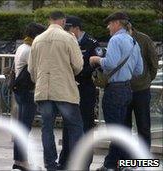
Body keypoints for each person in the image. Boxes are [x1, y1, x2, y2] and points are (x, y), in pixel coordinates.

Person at [28, 11, 84, 171]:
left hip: (43, 91)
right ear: (63, 21)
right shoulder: (69, 38)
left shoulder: (38, 40)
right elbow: (78, 66)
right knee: (75, 127)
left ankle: (50, 164)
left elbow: (31, 69)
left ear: (49, 20)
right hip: (64, 90)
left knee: (47, 128)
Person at [89, 12, 143, 170]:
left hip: (114, 91)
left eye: (110, 23)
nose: (108, 27)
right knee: (123, 129)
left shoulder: (116, 39)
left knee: (114, 131)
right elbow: (139, 70)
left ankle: (110, 165)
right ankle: (126, 164)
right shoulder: (133, 41)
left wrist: (96, 59)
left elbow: (110, 63)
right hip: (127, 89)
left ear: (117, 23)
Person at [65, 15, 101, 169]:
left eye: (68, 28)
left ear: (76, 28)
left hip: (85, 88)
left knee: (86, 124)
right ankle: (67, 159)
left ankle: (85, 162)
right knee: (68, 124)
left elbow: (95, 64)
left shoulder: (91, 43)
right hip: (70, 88)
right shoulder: (66, 41)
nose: (66, 31)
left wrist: (78, 73)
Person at [12, 22, 46, 171]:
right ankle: (21, 162)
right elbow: (34, 72)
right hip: (27, 92)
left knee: (22, 127)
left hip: (20, 91)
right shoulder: (30, 50)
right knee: (24, 128)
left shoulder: (22, 47)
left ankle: (19, 161)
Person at [125, 26, 158, 150]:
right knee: (124, 127)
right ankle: (126, 161)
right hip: (124, 88)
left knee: (143, 125)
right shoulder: (119, 39)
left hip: (141, 89)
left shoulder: (144, 39)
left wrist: (148, 79)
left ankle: (143, 160)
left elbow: (153, 61)